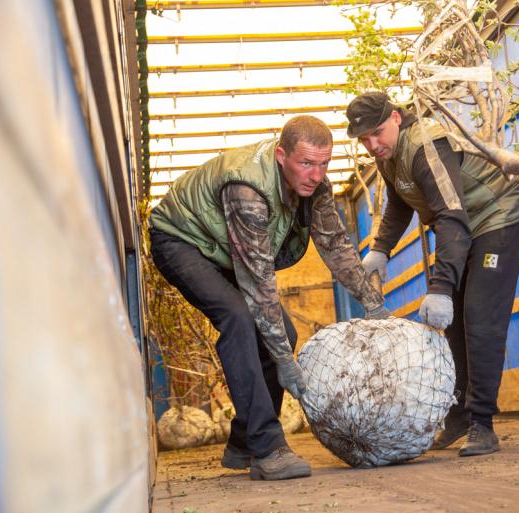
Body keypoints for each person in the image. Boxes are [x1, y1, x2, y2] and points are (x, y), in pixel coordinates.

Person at [149, 115, 389, 480]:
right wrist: (284, 361)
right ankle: (267, 447)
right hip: (181, 240)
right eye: (306, 163)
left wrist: (372, 304)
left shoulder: (316, 186)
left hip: (222, 247)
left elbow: (336, 246)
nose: (316, 174)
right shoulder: (247, 189)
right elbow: (259, 283)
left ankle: (244, 443)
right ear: (281, 155)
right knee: (239, 318)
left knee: (284, 335)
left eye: (324, 164)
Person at [346, 92, 519, 456]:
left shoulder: (426, 145)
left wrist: (441, 287)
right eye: (364, 139)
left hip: (494, 216)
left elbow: (450, 215)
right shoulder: (388, 155)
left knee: (480, 316)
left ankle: (482, 423)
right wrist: (381, 248)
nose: (372, 145)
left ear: (396, 118)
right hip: (460, 227)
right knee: (454, 324)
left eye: (377, 133)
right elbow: (400, 203)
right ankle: (459, 415)